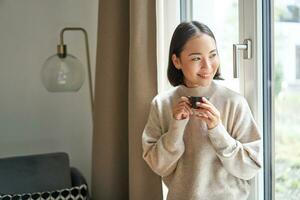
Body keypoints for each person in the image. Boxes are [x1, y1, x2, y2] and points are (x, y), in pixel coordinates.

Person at [142, 21, 261, 200]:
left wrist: (217, 130)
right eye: (196, 58)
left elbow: (250, 168)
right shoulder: (162, 104)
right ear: (176, 61)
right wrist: (176, 128)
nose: (207, 66)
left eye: (212, 55)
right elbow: (158, 166)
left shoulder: (234, 102)